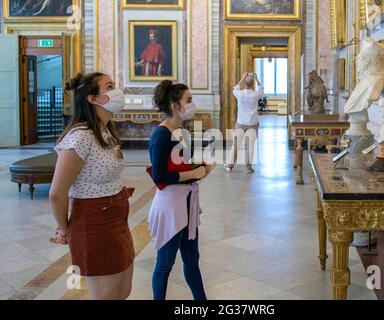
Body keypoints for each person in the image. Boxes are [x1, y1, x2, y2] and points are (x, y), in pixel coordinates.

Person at [49, 72, 135, 300]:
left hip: (117, 217)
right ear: (93, 99)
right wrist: (66, 229)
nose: (117, 91)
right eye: (109, 86)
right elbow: (57, 193)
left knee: (123, 290)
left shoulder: (105, 130)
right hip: (95, 221)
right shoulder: (81, 136)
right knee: (106, 295)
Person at [148, 80, 210, 300]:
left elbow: (182, 166)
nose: (193, 104)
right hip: (170, 206)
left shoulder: (183, 131)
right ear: (175, 106)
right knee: (165, 264)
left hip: (187, 202)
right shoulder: (162, 135)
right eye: (189, 100)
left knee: (192, 261)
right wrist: (193, 174)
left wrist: (200, 170)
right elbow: (159, 177)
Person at [224, 72, 264, 174]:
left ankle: (229, 165)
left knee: (236, 145)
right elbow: (261, 89)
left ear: (244, 84)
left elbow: (235, 88)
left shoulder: (239, 94)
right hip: (253, 123)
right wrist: (256, 79)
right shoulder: (256, 94)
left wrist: (242, 79)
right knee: (250, 146)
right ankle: (248, 168)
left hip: (241, 123)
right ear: (253, 84)